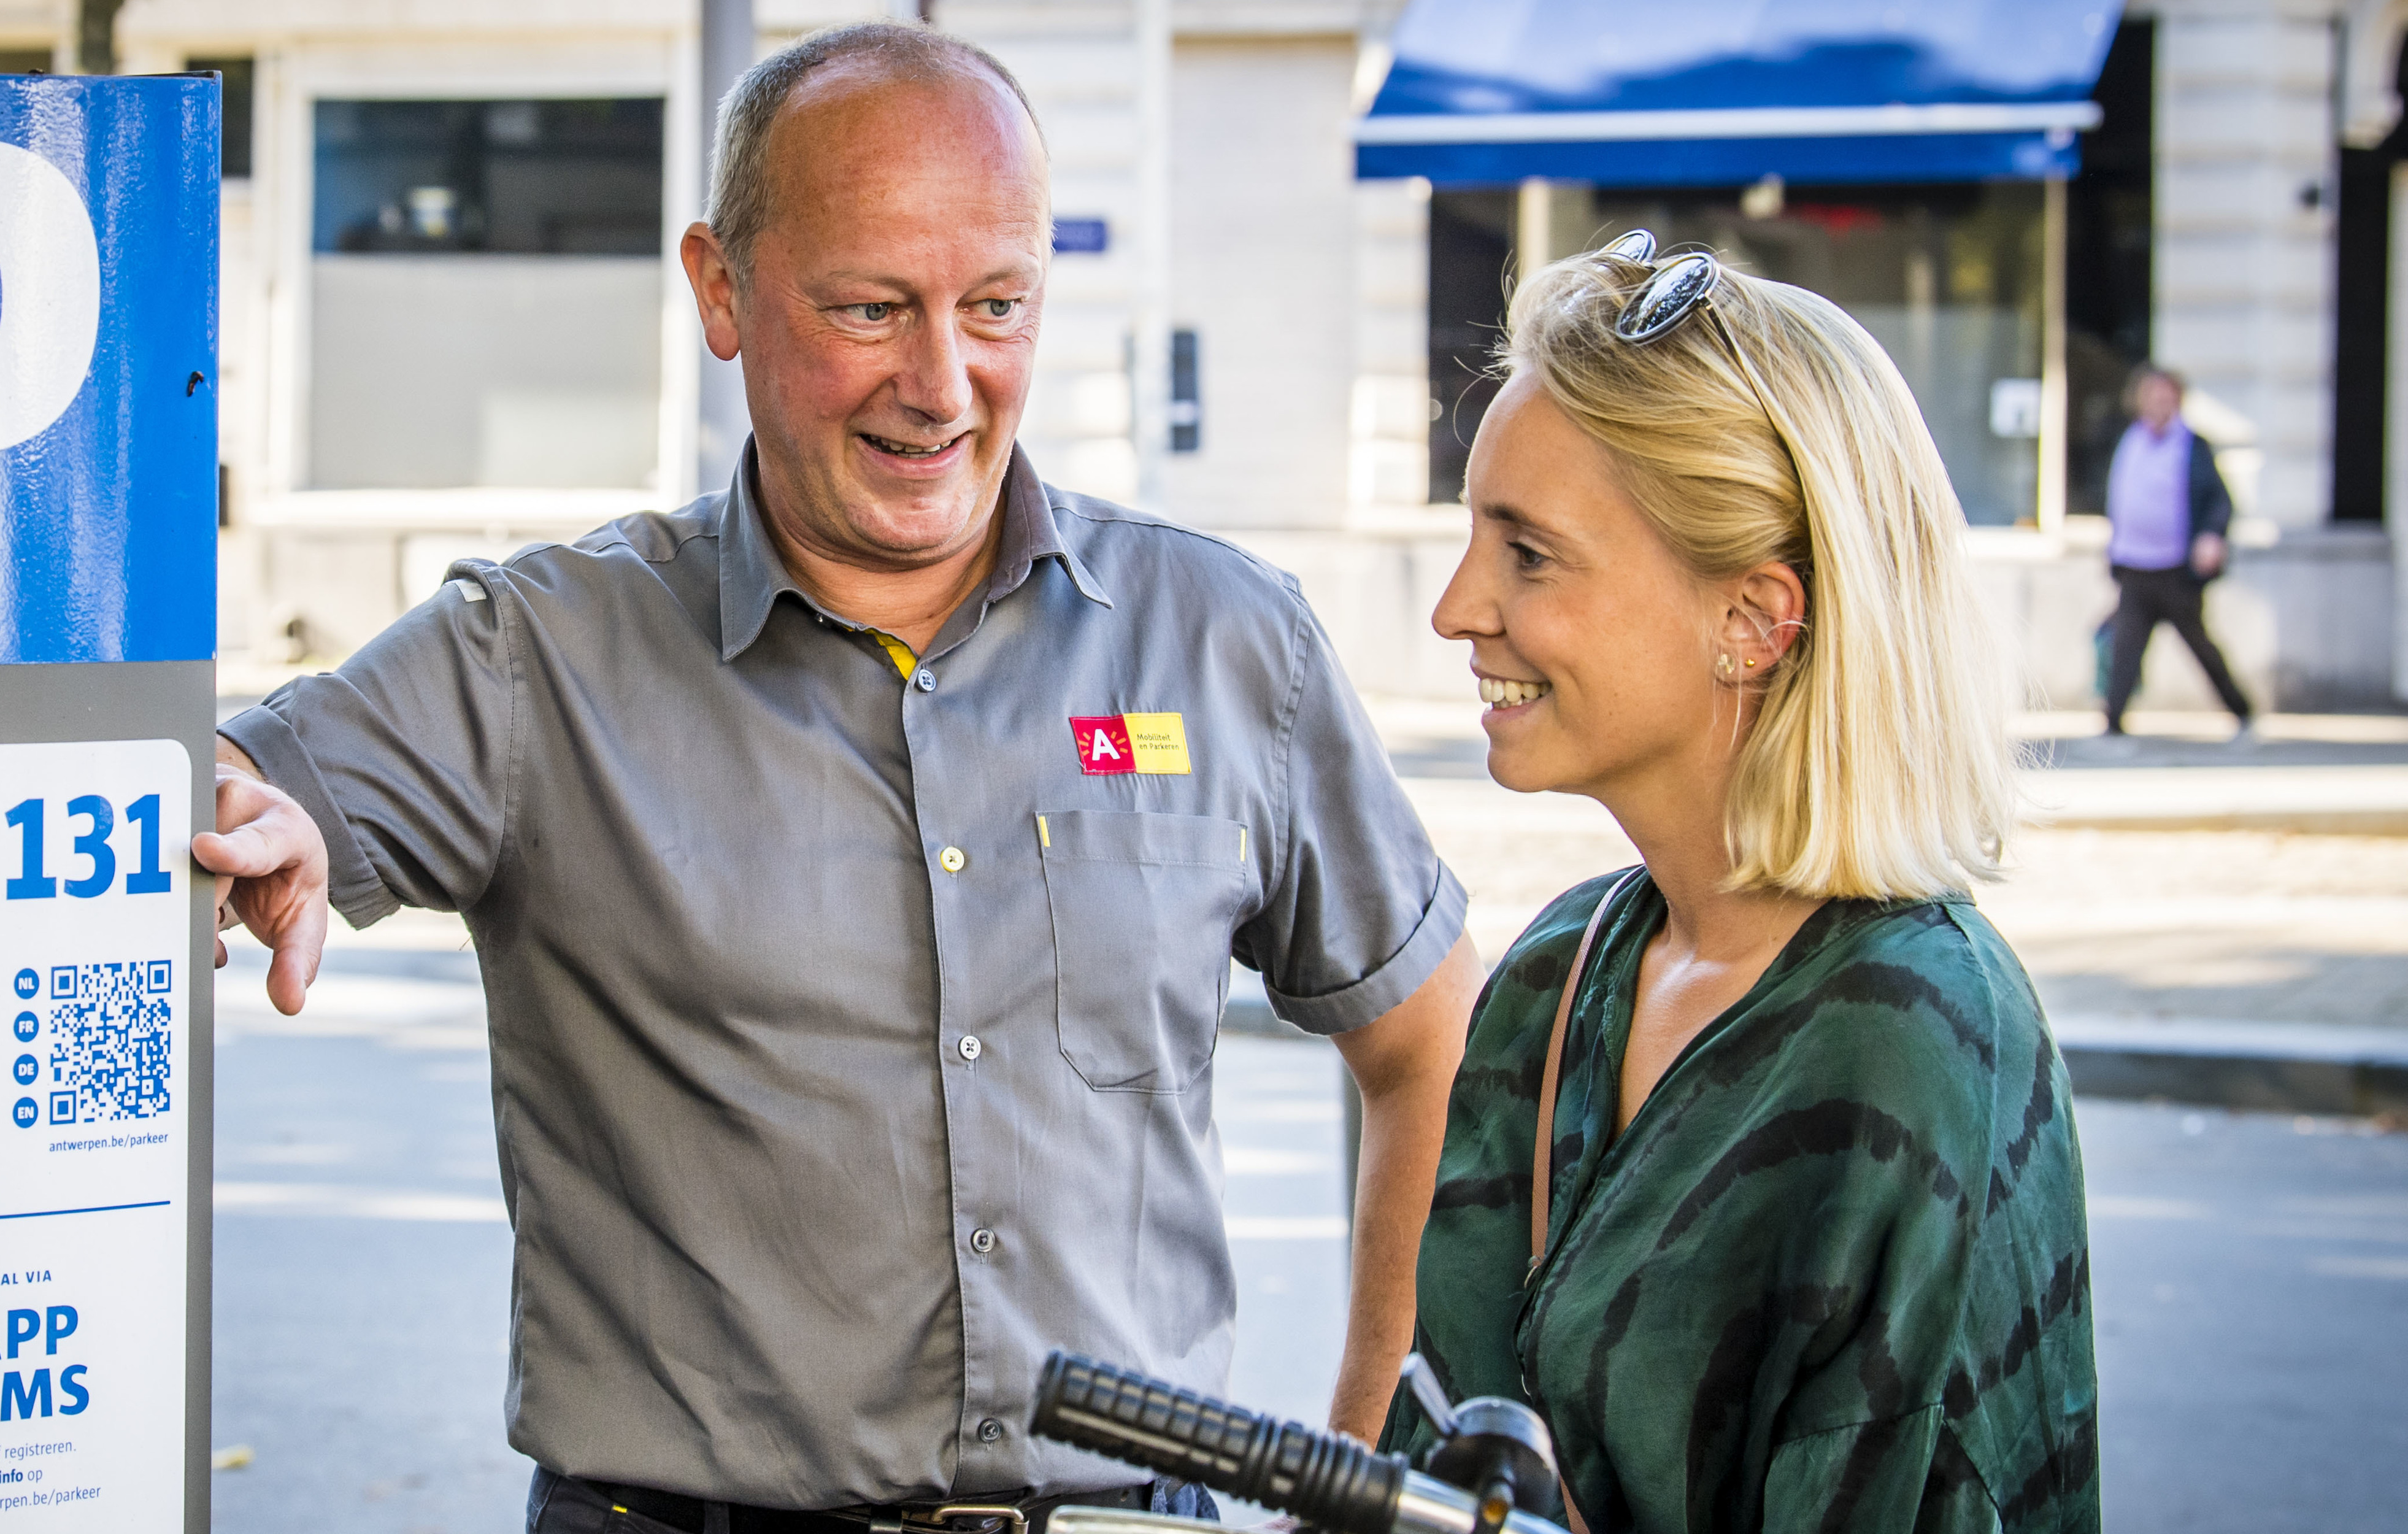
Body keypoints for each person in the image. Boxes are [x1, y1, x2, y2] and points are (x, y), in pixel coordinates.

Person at [196, 23, 1482, 1532]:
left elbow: (1435, 1047)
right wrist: (238, 814)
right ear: (720, 290)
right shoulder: (537, 659)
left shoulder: (1223, 644)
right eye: (870, 309)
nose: (941, 384)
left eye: (995, 306)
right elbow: (228, 789)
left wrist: (1361, 1481)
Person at [1399, 241, 2098, 1533]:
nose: (1456, 608)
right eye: (1470, 536)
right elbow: (1440, 1456)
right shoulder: (1563, 965)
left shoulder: (1916, 1036)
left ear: (1754, 620)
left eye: (1529, 553)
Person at [2100, 365, 2254, 746]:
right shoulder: (2129, 441)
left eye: (2168, 396)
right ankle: (2113, 725)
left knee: (2201, 646)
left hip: (2175, 571)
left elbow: (2220, 501)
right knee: (2125, 649)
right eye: (2154, 395)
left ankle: (2243, 712)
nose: (2161, 402)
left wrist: (2211, 537)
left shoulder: (2192, 446)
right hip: (2135, 568)